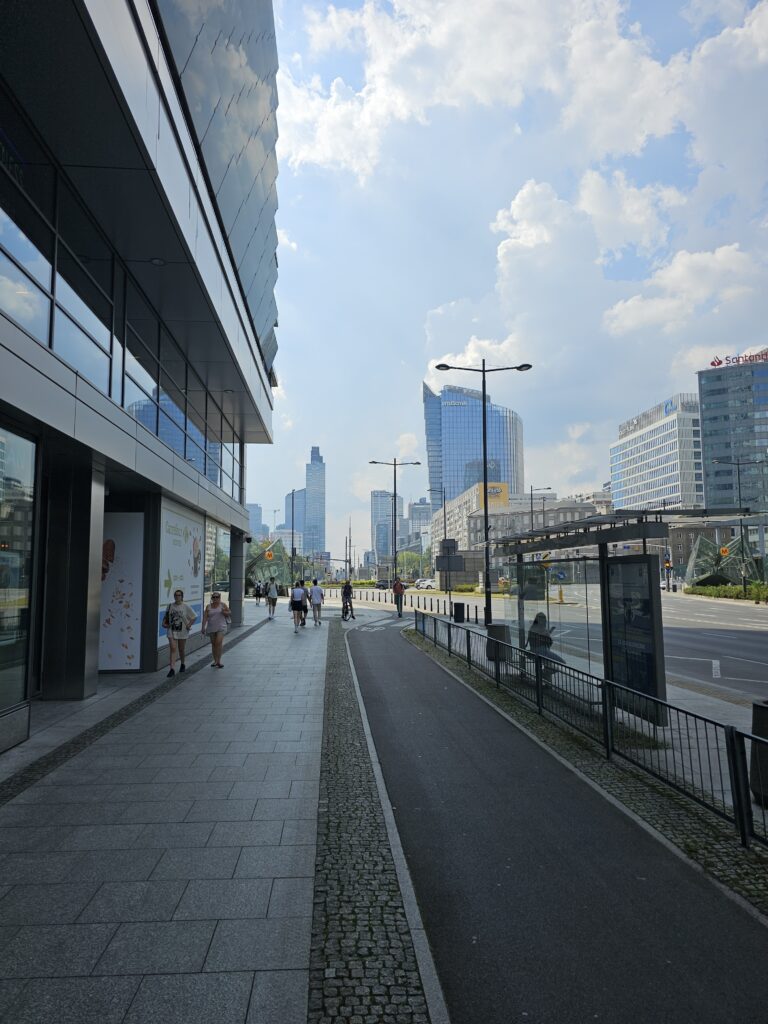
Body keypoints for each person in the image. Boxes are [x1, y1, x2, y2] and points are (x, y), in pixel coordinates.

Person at [162, 589, 197, 677]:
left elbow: (194, 616)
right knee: (173, 648)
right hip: (171, 629)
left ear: (182, 597)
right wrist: (164, 623)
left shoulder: (185, 606)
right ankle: (172, 669)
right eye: (176, 595)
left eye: (179, 595)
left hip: (182, 630)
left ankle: (182, 663)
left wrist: (189, 625)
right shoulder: (170, 606)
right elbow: (166, 617)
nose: (177, 597)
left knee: (181, 649)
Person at [202, 591, 230, 668]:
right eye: (213, 597)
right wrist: (203, 627)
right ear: (211, 598)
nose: (215, 598)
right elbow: (205, 618)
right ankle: (215, 661)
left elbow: (229, 612)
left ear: (219, 598)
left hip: (221, 627)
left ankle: (219, 661)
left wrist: (224, 612)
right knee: (214, 644)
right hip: (211, 627)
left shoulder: (223, 605)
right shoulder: (208, 607)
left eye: (217, 597)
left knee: (218, 642)